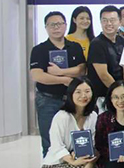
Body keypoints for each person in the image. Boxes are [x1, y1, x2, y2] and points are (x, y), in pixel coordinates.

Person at [40, 77, 102, 168]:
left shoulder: (93, 116)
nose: (83, 96)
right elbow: (56, 146)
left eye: (87, 91)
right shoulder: (62, 117)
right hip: (55, 165)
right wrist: (72, 160)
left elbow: (92, 142)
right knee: (89, 162)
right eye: (78, 92)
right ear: (71, 94)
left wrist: (82, 155)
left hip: (80, 162)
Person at [30, 11, 86, 157]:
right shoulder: (39, 50)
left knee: (75, 138)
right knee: (50, 140)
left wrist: (59, 72)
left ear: (66, 25)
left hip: (74, 100)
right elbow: (37, 75)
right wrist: (65, 80)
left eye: (59, 24)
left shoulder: (75, 47)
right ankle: (51, 167)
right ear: (46, 27)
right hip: (48, 99)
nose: (56, 27)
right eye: (52, 24)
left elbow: (81, 70)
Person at [87, 5, 124, 112]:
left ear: (120, 22)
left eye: (112, 20)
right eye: (104, 20)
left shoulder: (122, 41)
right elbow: (104, 75)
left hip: (120, 96)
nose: (109, 23)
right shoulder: (97, 44)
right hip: (103, 97)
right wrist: (120, 93)